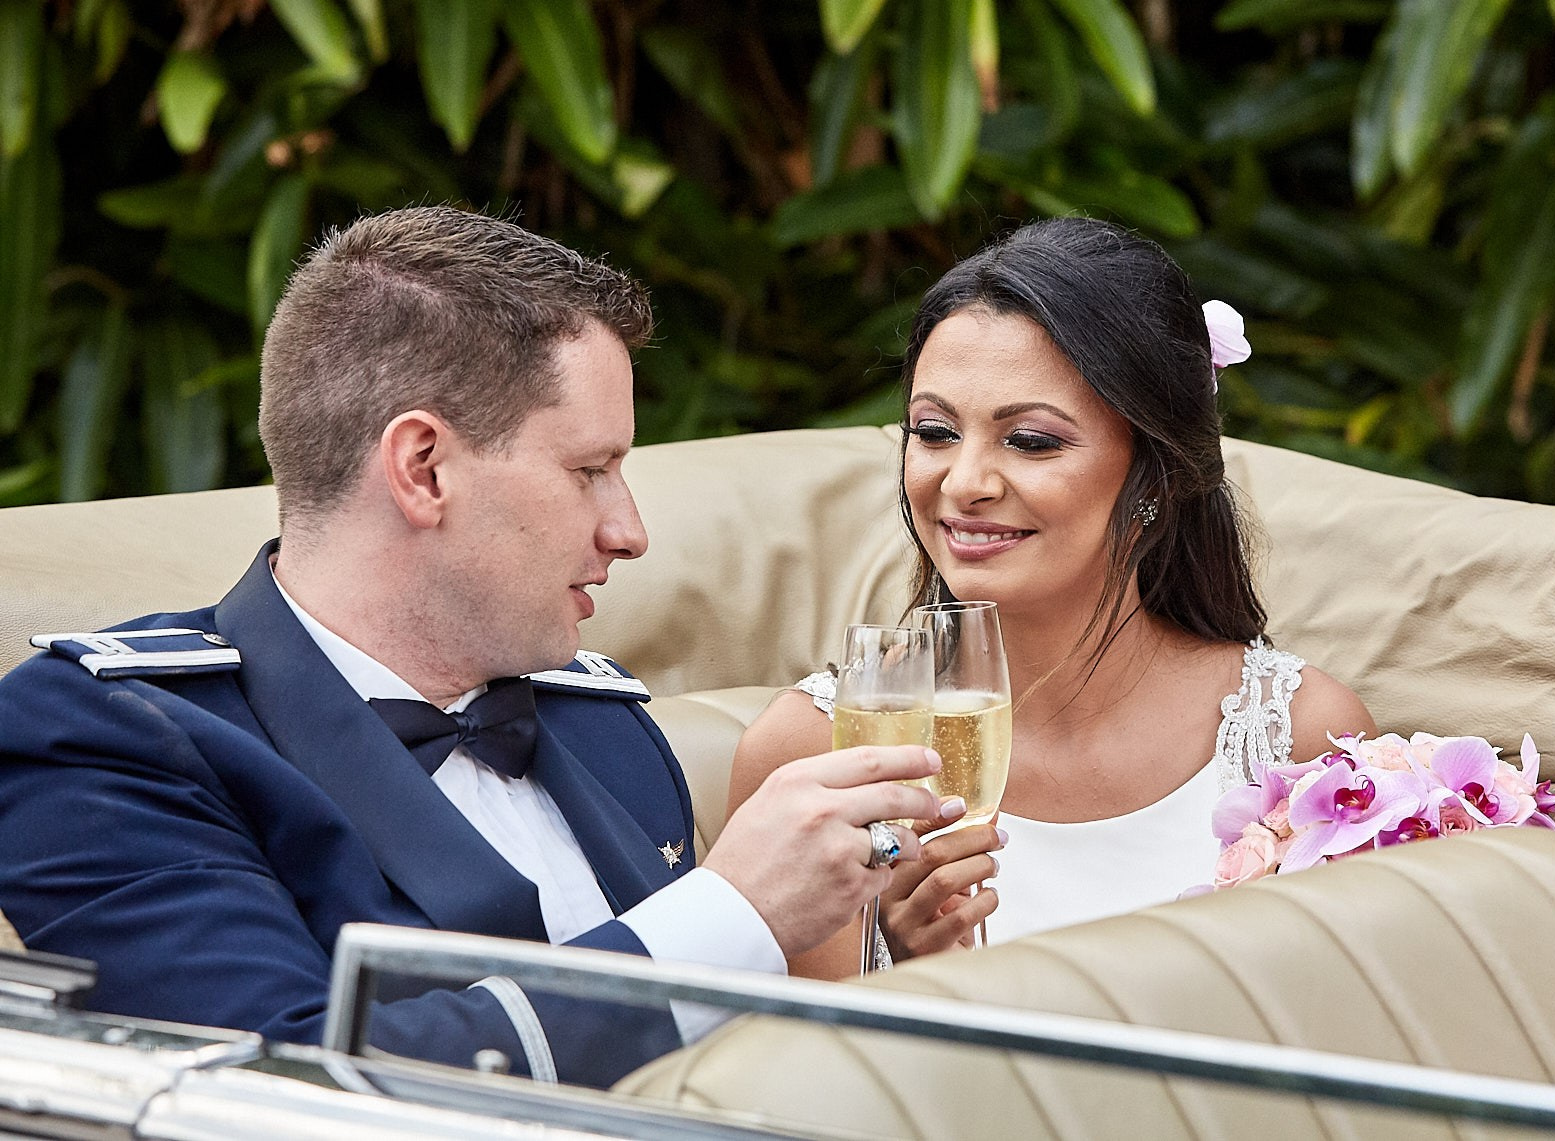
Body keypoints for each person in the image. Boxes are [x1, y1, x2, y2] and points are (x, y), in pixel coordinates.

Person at [0, 208, 956, 1088]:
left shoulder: (596, 717)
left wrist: (886, 958)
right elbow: (283, 1090)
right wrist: (732, 913)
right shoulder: (104, 733)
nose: (629, 531)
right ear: (423, 468)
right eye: (591, 471)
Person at [731, 218, 1375, 977]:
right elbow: (787, 1079)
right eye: (934, 431)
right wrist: (904, 971)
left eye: (1030, 440)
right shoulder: (812, 754)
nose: (964, 482)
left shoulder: (1299, 740)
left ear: (1158, 473)